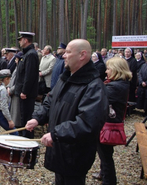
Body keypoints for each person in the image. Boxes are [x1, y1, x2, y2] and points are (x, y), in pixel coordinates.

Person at [26, 39, 108, 185]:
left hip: (75, 156)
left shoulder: (94, 86)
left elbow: (88, 123)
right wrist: (38, 118)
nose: (63, 55)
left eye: (68, 52)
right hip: (59, 150)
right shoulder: (66, 78)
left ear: (82, 55)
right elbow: (50, 101)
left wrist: (56, 134)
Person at [93, 57, 132, 184]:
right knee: (105, 154)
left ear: (116, 70)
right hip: (109, 123)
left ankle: (109, 181)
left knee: (106, 156)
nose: (106, 71)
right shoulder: (119, 83)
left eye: (108, 69)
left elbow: (97, 100)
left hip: (108, 125)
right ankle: (103, 174)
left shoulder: (114, 87)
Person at [15, 31, 39, 138]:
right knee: (24, 117)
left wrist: (24, 91)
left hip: (27, 94)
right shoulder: (27, 53)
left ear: (25, 40)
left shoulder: (31, 54)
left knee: (27, 117)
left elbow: (30, 75)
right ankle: (24, 137)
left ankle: (28, 140)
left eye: (20, 39)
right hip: (24, 92)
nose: (19, 41)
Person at [7, 52, 23, 130]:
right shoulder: (17, 67)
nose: (15, 60)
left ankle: (16, 126)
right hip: (12, 90)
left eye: (16, 59)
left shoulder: (21, 67)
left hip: (16, 92)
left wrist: (11, 90)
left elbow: (18, 82)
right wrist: (8, 87)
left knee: (16, 111)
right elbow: (12, 78)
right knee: (13, 110)